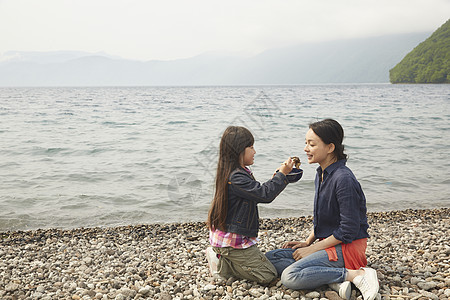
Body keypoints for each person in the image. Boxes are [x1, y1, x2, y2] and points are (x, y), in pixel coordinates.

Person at [265, 119, 379, 300]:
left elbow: (348, 229)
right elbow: (326, 217)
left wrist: (312, 249)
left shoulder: (343, 179)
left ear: (330, 147)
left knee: (290, 276)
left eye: (311, 144)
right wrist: (307, 242)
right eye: (305, 143)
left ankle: (356, 275)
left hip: (348, 247)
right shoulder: (321, 173)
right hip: (328, 243)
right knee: (269, 259)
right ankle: (329, 276)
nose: (305, 149)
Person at [206, 125, 295, 284]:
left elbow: (258, 190)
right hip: (232, 243)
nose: (255, 152)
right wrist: (282, 174)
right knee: (268, 275)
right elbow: (264, 194)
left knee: (269, 263)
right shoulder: (237, 177)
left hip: (227, 239)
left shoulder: (235, 171)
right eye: (251, 147)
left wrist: (279, 178)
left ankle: (224, 259)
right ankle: (223, 264)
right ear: (239, 150)